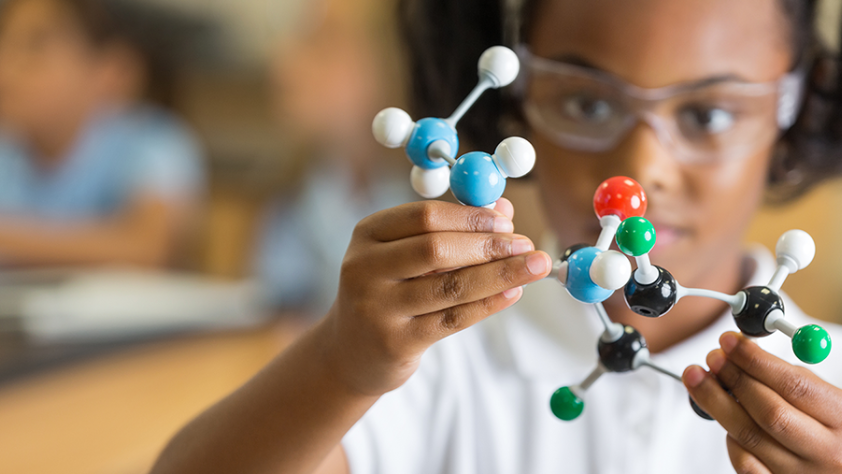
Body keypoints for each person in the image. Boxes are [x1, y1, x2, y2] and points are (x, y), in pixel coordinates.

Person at [150, 0, 842, 473]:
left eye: (710, 115)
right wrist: (339, 365)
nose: (639, 171)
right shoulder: (429, 361)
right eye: (589, 102)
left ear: (796, 108)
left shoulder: (830, 393)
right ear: (518, 102)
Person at [0, 0, 205, 268]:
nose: (7, 69)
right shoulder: (8, 150)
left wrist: (10, 240)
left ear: (113, 70)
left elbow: (147, 247)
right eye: (5, 44)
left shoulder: (153, 142)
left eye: (35, 48)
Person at [253, 0, 413, 316]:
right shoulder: (289, 202)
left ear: (391, 62)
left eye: (321, 44)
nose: (283, 63)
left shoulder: (438, 203)